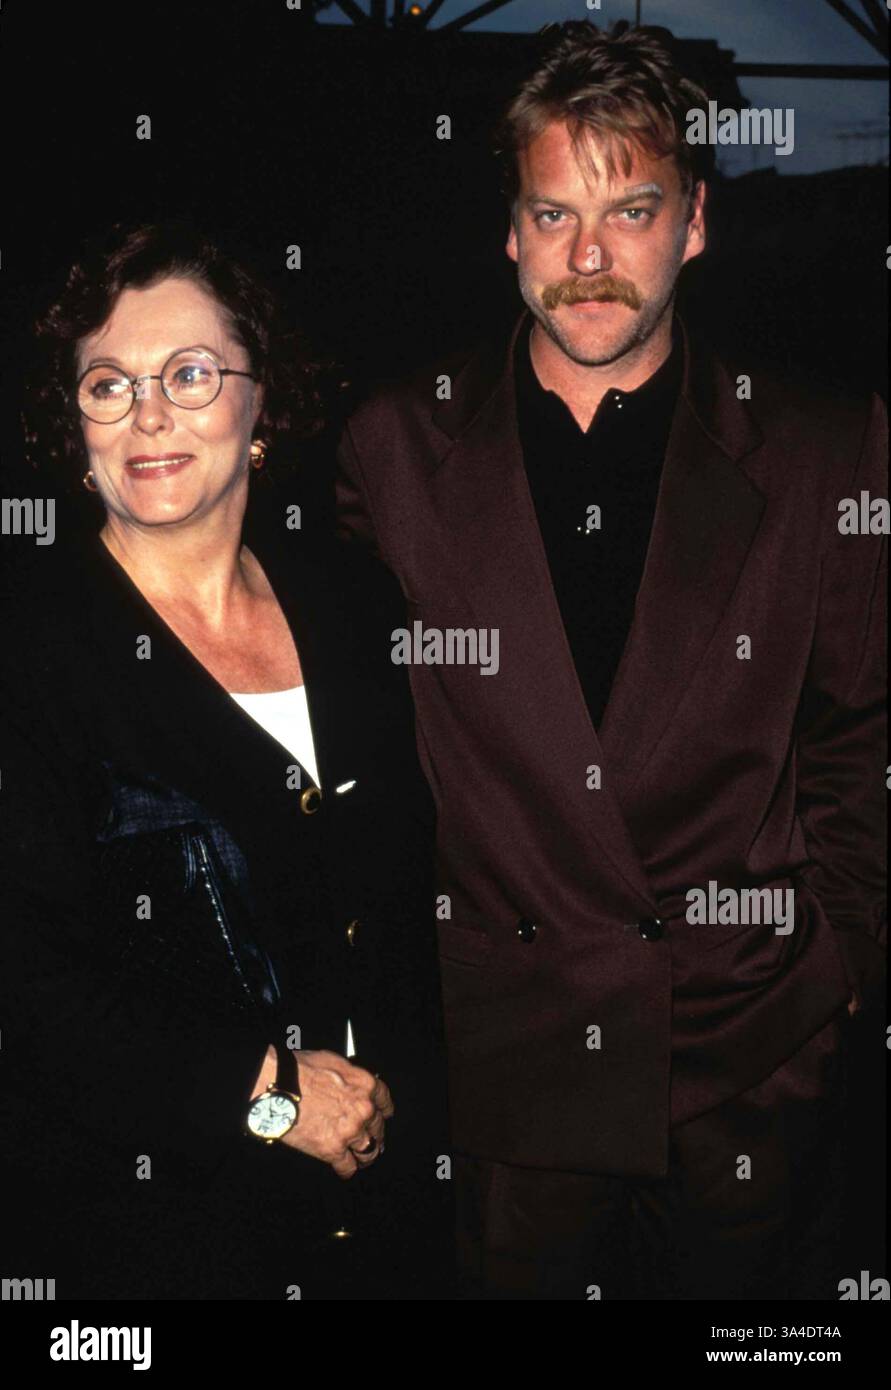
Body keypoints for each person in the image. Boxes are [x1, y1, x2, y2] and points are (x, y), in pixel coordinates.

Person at [335, 22, 886, 1300]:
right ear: (512, 233)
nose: (591, 257)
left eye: (631, 210)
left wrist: (842, 960)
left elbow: (862, 726)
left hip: (749, 1049)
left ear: (694, 224)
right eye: (554, 212)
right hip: (512, 1068)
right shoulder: (393, 446)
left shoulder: (820, 443)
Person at [0, 221, 452, 1300]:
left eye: (190, 374)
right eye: (107, 383)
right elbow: (26, 982)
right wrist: (268, 1092)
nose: (148, 412)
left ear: (262, 402)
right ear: (76, 425)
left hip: (386, 1222)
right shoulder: (31, 650)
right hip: (151, 1237)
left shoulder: (355, 603)